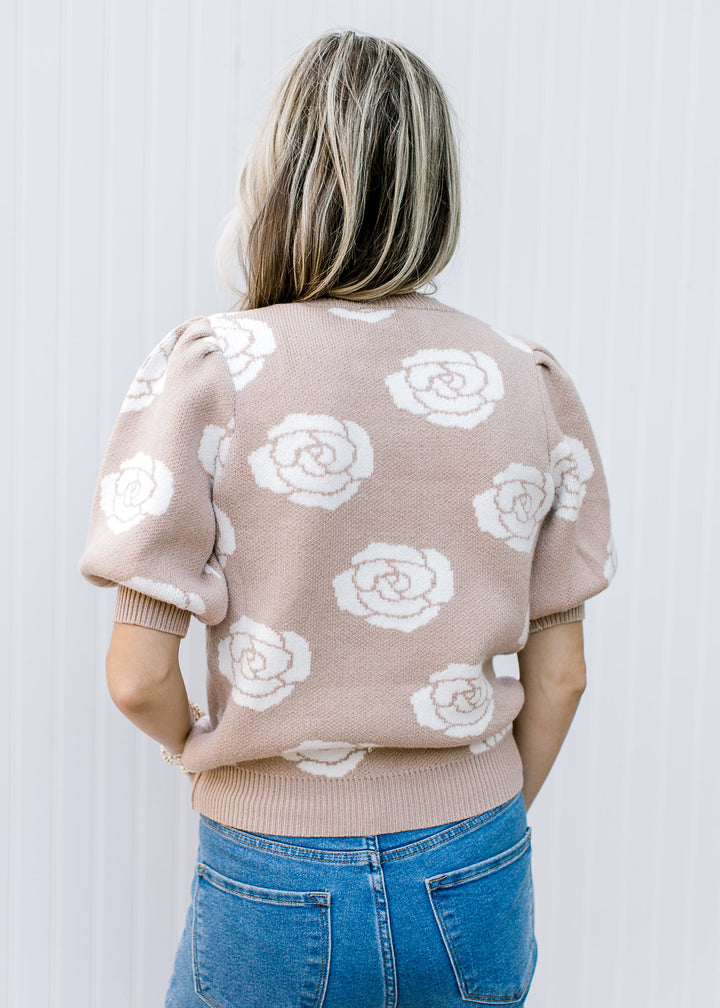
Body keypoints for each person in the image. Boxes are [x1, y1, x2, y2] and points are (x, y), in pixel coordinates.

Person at [79, 29, 616, 1008]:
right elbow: (564, 674)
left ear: (279, 178)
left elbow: (134, 676)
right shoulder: (526, 381)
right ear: (435, 191)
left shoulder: (211, 368)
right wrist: (477, 821)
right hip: (478, 858)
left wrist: (207, 763)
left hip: (272, 867)